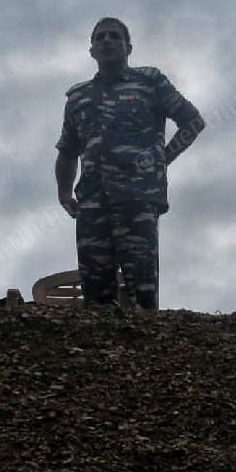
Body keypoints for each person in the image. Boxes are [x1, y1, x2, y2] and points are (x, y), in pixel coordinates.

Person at [55, 17, 204, 310]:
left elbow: (192, 122)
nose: (106, 41)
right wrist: (64, 193)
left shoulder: (149, 82)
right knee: (97, 300)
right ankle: (102, 354)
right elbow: (67, 150)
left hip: (137, 200)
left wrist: (162, 158)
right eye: (100, 37)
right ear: (92, 51)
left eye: (114, 36)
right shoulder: (78, 98)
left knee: (142, 294)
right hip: (93, 204)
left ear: (129, 47)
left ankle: (146, 352)